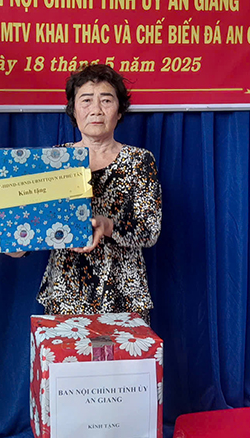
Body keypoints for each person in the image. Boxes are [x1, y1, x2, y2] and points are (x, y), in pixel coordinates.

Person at [37, 64, 163, 323]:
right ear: (74, 110)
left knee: (127, 353)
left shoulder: (139, 161)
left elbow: (150, 231)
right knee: (66, 352)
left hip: (125, 294)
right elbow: (38, 220)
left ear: (119, 110)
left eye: (106, 100)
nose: (96, 109)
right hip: (66, 291)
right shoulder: (55, 159)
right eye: (86, 100)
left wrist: (107, 226)